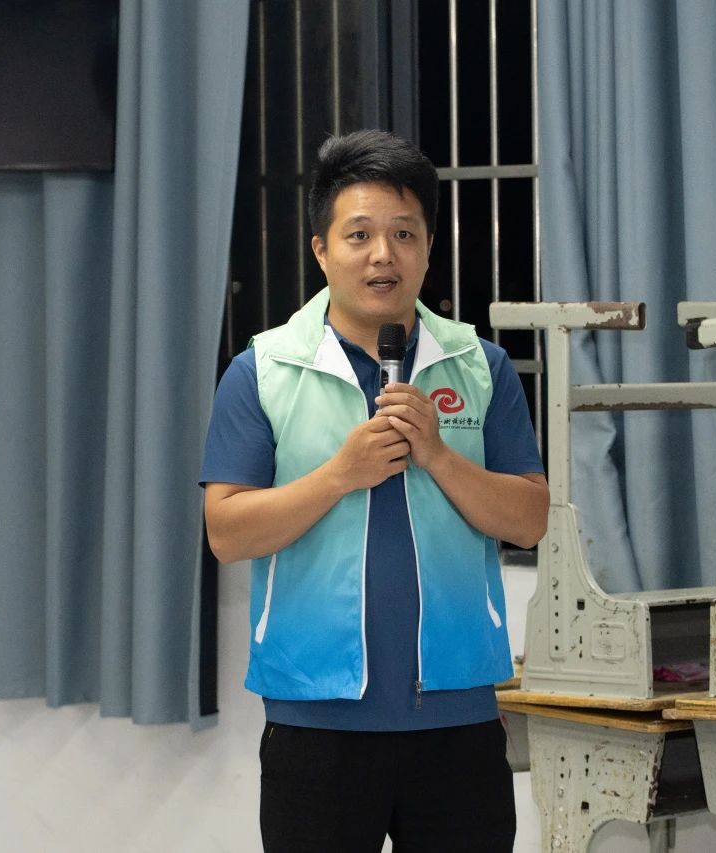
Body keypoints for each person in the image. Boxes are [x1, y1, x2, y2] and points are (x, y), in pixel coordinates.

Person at [200, 129, 548, 853]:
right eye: (358, 234)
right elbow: (227, 532)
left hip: (458, 715)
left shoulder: (479, 366)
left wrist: (438, 456)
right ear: (322, 250)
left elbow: (529, 519)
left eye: (403, 233)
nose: (383, 254)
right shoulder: (263, 370)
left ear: (427, 248)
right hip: (315, 719)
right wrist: (339, 474)